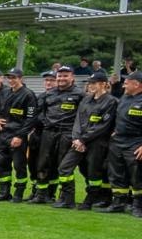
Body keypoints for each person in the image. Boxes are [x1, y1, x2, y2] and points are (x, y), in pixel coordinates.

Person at [58, 72, 117, 210]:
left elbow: (103, 126)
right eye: (89, 83)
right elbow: (78, 121)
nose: (90, 86)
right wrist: (77, 139)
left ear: (103, 84)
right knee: (64, 168)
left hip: (97, 142)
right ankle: (68, 199)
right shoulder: (86, 100)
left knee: (93, 173)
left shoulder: (111, 102)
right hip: (79, 142)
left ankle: (90, 201)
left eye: (93, 83)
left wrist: (83, 139)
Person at [30, 66, 81, 204]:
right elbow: (39, 112)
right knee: (43, 163)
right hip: (49, 132)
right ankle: (41, 195)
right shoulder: (49, 94)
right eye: (60, 76)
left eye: (65, 76)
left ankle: (65, 197)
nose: (62, 78)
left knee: (62, 166)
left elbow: (82, 116)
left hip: (67, 133)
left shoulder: (80, 94)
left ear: (72, 77)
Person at [97, 69, 142, 216]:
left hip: (136, 142)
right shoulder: (124, 98)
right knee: (116, 173)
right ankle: (118, 203)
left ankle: (138, 206)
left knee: (137, 175)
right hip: (118, 141)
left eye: (127, 83)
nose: (123, 86)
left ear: (137, 84)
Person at [0, 70, 39, 202]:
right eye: (9, 78)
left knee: (19, 165)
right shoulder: (7, 93)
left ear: (21, 78)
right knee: (2, 164)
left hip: (17, 135)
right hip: (4, 134)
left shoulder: (28, 95)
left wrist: (20, 136)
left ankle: (19, 193)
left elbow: (31, 119)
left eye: (14, 78)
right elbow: (1, 111)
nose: (11, 80)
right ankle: (4, 192)